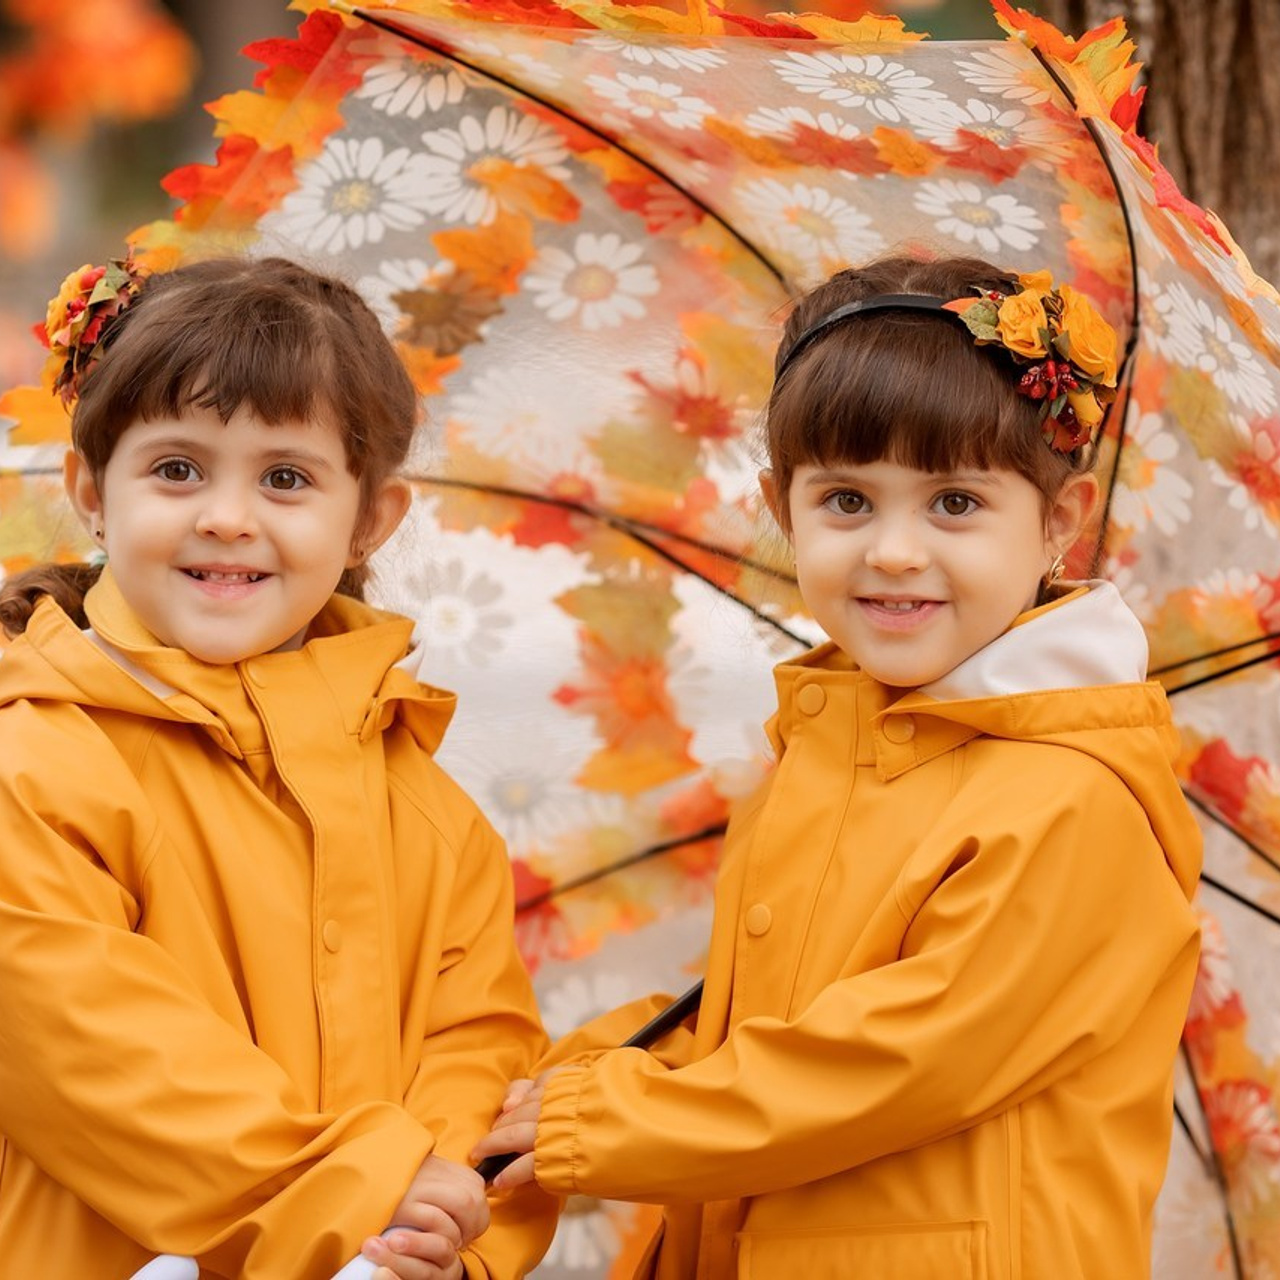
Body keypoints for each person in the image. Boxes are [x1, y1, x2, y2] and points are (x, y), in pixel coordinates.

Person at [472, 253, 1203, 1278]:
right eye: (848, 501)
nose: (894, 550)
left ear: (1057, 520)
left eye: (954, 503)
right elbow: (756, 1024)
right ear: (783, 509)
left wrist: (604, 1118)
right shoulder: (826, 757)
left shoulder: (1073, 795)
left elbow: (895, 1063)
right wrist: (570, 1079)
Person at [0, 255, 557, 1280]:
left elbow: (480, 1049)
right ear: (89, 490)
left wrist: (439, 1232)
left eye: (285, 478)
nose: (227, 516)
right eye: (177, 469)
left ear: (369, 521)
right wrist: (351, 1184)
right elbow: (77, 1045)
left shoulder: (430, 817)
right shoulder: (33, 762)